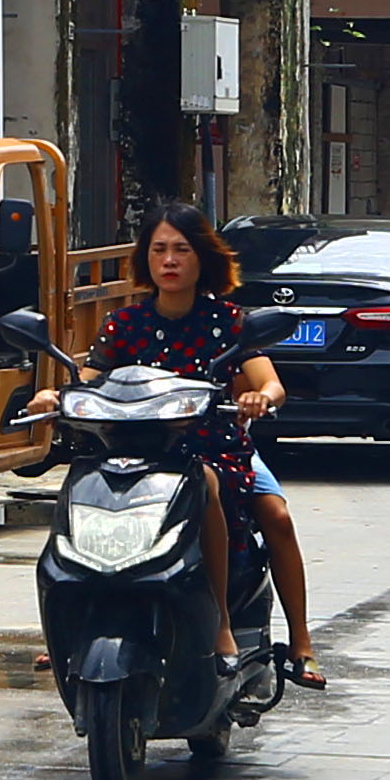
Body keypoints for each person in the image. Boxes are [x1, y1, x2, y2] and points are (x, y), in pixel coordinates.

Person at [74, 202, 322, 691]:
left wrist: (258, 397)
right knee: (80, 495)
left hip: (216, 447)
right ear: (145, 258)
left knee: (276, 516)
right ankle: (74, 623)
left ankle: (284, 637)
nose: (169, 260)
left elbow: (270, 384)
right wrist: (58, 393)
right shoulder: (123, 325)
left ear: (201, 258)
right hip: (133, 450)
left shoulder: (229, 323)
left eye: (181, 250)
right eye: (159, 249)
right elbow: (88, 378)